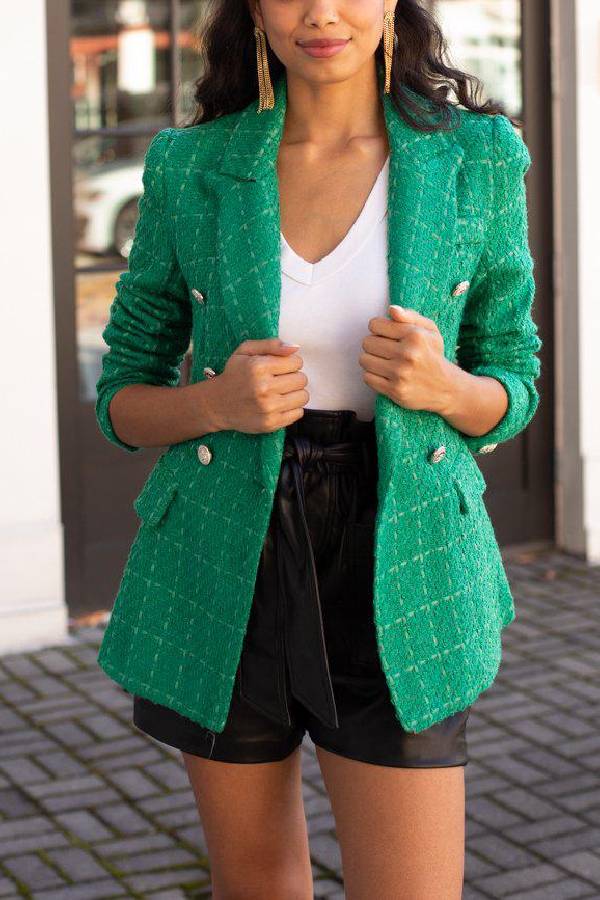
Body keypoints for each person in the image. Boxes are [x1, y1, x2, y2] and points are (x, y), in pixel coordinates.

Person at [94, 1, 542, 897]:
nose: (321, 12)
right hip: (225, 554)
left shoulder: (477, 157)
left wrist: (446, 388)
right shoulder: (191, 166)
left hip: (404, 552)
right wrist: (213, 402)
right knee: (255, 883)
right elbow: (123, 399)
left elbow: (514, 376)